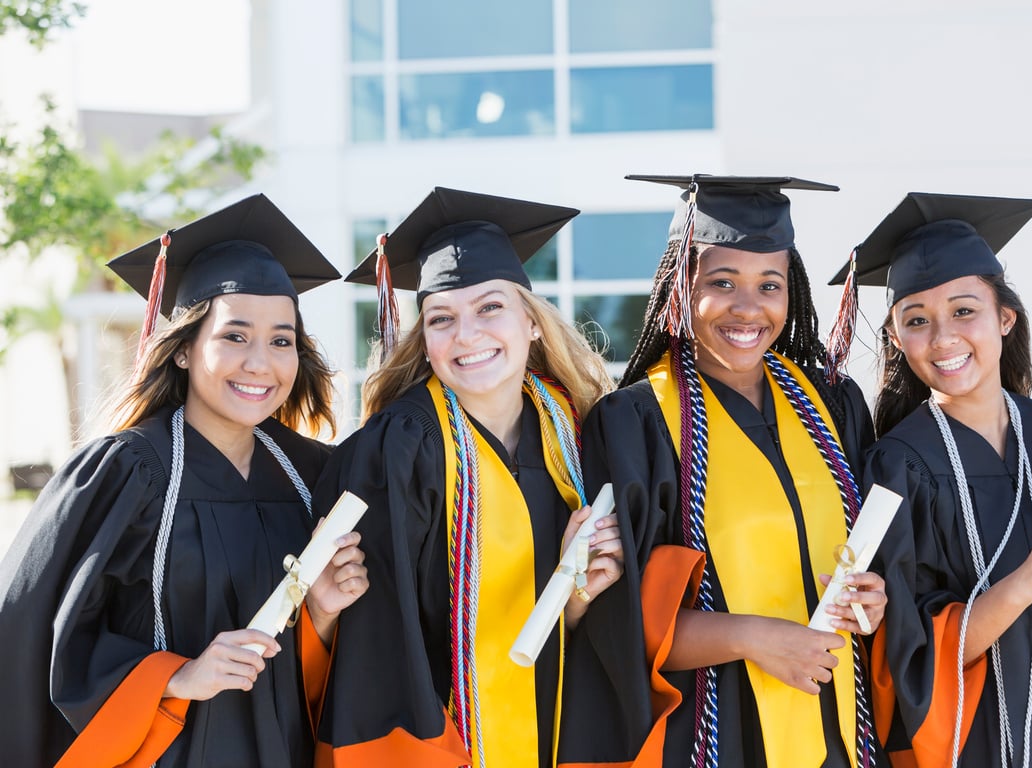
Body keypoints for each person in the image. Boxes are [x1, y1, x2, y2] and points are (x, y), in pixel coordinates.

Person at [0, 194, 369, 768]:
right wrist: (177, 677)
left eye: (281, 340)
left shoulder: (313, 477)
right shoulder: (124, 473)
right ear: (183, 350)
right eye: (234, 336)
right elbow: (37, 639)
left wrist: (320, 615)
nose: (260, 363)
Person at [579, 174, 889, 768]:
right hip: (713, 736)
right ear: (679, 286)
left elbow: (877, 564)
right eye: (722, 282)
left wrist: (876, 603)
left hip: (838, 733)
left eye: (769, 285)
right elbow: (619, 620)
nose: (749, 308)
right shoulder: (635, 424)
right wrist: (752, 636)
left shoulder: (833, 403)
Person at [834, 192, 1032, 767]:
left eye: (964, 310)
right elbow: (906, 657)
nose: (943, 338)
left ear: (1004, 318)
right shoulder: (896, 467)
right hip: (975, 747)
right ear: (896, 340)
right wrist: (1025, 584)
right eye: (917, 321)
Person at [310, 187, 622, 768]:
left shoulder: (579, 438)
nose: (468, 335)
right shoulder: (396, 451)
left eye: (490, 308)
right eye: (442, 319)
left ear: (531, 323)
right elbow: (379, 650)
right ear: (425, 343)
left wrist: (581, 598)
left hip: (560, 739)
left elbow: (601, 635)